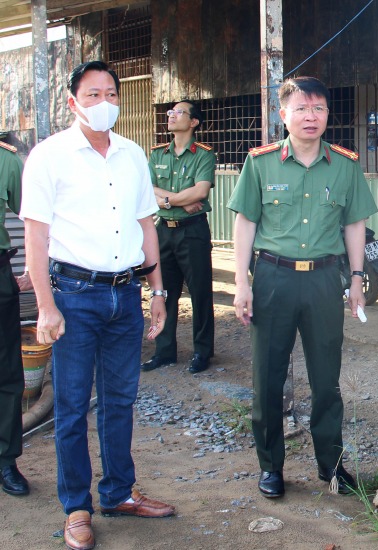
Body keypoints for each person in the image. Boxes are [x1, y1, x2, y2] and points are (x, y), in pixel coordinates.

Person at [21, 60, 175, 550]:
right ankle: (77, 507)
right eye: (92, 94)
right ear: (73, 102)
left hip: (125, 294)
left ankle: (118, 492)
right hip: (73, 296)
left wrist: (157, 292)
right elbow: (36, 237)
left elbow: (145, 224)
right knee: (70, 406)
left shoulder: (132, 154)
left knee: (120, 401)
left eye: (110, 93)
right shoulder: (49, 156)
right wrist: (46, 306)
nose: (104, 101)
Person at [228, 76, 377, 499]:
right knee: (268, 379)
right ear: (283, 115)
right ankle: (271, 467)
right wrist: (241, 282)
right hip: (273, 278)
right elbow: (245, 223)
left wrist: (357, 278)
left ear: (327, 114)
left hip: (324, 281)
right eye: (301, 109)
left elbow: (354, 224)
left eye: (318, 109)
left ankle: (332, 466)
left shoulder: (345, 165)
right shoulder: (260, 163)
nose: (310, 117)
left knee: (326, 379)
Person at [142, 100, 216, 374]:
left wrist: (165, 199)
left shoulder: (204, 154)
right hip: (163, 230)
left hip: (192, 231)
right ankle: (164, 351)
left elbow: (200, 192)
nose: (171, 116)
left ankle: (202, 352)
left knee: (200, 293)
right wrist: (175, 202)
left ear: (194, 122)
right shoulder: (157, 154)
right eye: (170, 112)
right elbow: (146, 188)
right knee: (164, 292)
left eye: (179, 112)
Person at [0, 140, 30, 498]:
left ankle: (5, 459)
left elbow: (34, 217)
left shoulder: (6, 161)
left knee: (7, 370)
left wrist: (36, 269)